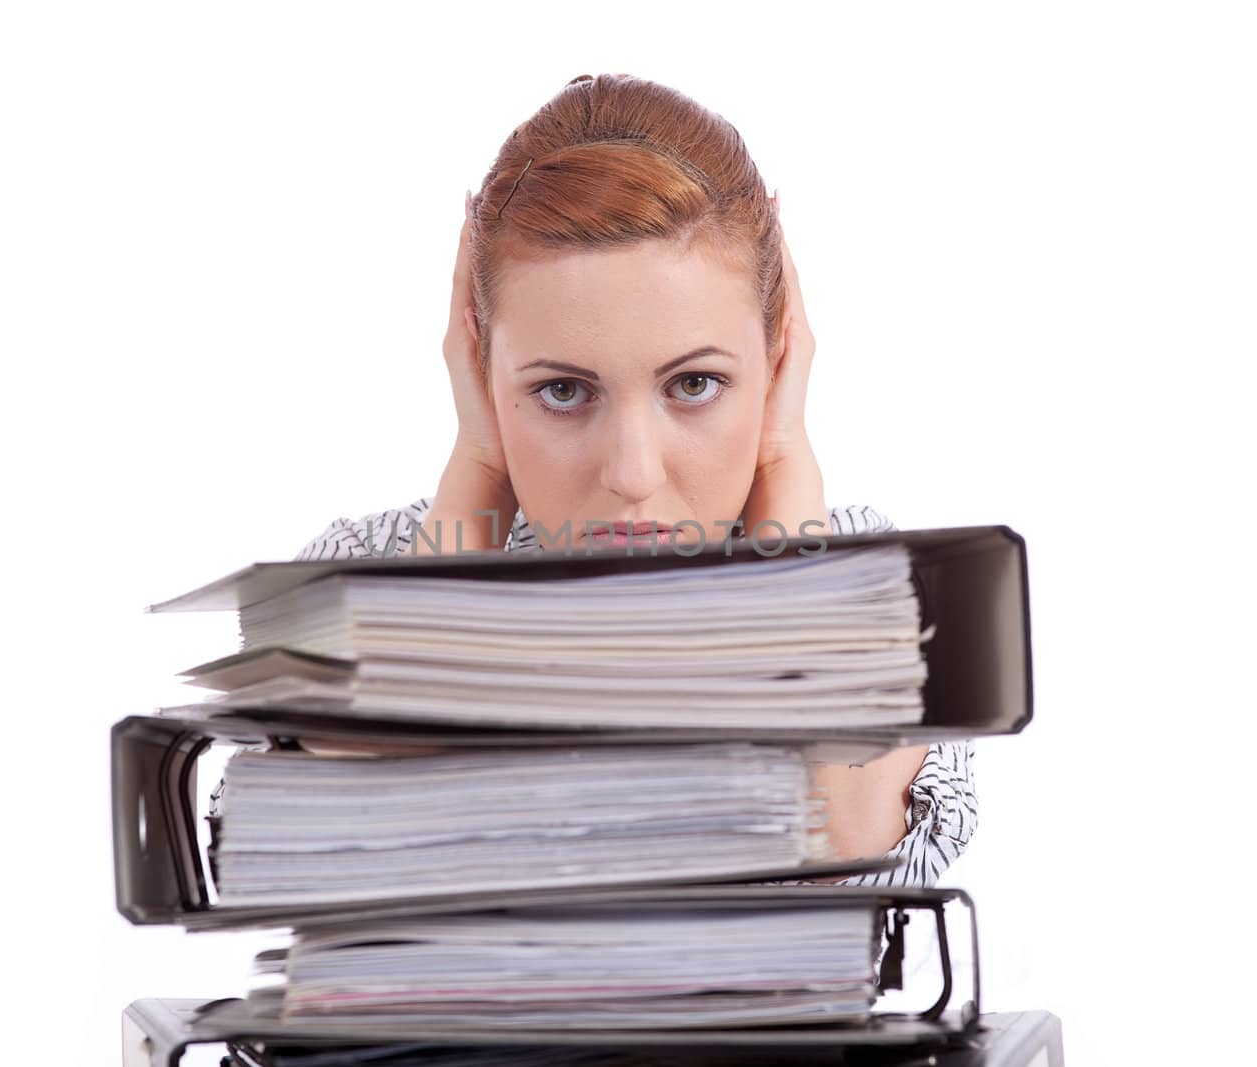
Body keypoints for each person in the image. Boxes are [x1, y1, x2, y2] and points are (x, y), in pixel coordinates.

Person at [217, 73, 976, 889]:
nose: (632, 474)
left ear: (778, 357)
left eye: (694, 385)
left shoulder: (873, 585)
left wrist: (786, 482)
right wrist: (475, 475)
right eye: (563, 391)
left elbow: (840, 847)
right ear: (481, 368)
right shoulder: (365, 572)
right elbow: (344, 870)